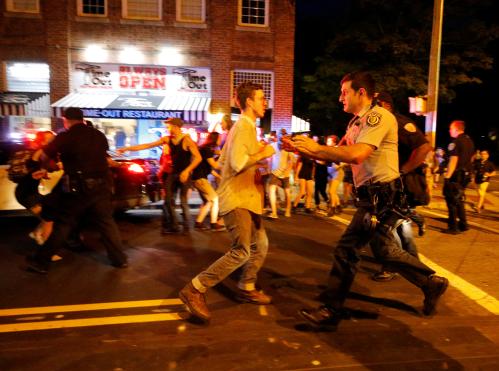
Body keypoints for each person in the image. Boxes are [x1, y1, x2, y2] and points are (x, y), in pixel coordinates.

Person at [285, 72, 448, 329]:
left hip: (381, 195)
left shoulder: (379, 117)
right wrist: (301, 148)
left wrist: (316, 148)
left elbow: (358, 154)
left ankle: (330, 311)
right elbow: (337, 153)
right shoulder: (355, 123)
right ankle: (431, 283)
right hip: (371, 197)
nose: (340, 98)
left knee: (346, 249)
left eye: (344, 92)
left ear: (361, 93)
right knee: (383, 250)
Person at [179, 81, 275, 323]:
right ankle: (195, 288)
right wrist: (264, 153)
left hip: (248, 198)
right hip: (238, 199)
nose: (266, 102)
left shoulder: (247, 128)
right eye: (262, 98)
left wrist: (260, 161)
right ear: (249, 102)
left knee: (260, 245)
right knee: (242, 251)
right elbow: (238, 163)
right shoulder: (243, 126)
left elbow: (224, 163)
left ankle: (246, 286)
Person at [26, 107, 128, 274]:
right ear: (82, 119)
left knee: (63, 223)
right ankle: (120, 260)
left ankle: (40, 262)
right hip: (102, 186)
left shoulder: (65, 136)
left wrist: (46, 168)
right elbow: (103, 157)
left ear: (66, 120)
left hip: (78, 187)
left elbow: (45, 156)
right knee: (106, 223)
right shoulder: (98, 135)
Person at [117, 118, 201, 234]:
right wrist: (127, 149)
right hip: (173, 173)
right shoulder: (167, 139)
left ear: (175, 127)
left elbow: (198, 158)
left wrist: (187, 171)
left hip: (184, 174)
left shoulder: (187, 140)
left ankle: (187, 229)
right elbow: (148, 145)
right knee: (168, 200)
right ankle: (175, 226)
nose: (167, 129)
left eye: (169, 126)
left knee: (183, 201)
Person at [443, 120, 475, 234]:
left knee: (451, 201)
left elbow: (453, 160)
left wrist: (447, 177)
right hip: (466, 175)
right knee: (459, 199)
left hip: (456, 176)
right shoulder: (469, 141)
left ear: (456, 129)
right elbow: (471, 158)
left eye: (450, 129)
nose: (449, 131)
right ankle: (464, 224)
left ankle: (453, 227)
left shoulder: (455, 142)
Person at [192, 132, 225, 231]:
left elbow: (208, 168)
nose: (221, 140)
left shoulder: (206, 149)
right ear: (215, 139)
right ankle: (214, 224)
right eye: (220, 138)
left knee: (209, 201)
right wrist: (225, 166)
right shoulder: (207, 150)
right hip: (200, 178)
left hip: (199, 178)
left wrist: (218, 176)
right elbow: (214, 165)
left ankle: (198, 223)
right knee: (215, 198)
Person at [268, 136, 295, 218]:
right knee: (272, 191)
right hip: (275, 172)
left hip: (283, 173)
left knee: (286, 192)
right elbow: (270, 156)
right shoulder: (275, 145)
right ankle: (274, 212)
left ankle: (287, 210)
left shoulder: (287, 147)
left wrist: (288, 170)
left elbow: (292, 161)